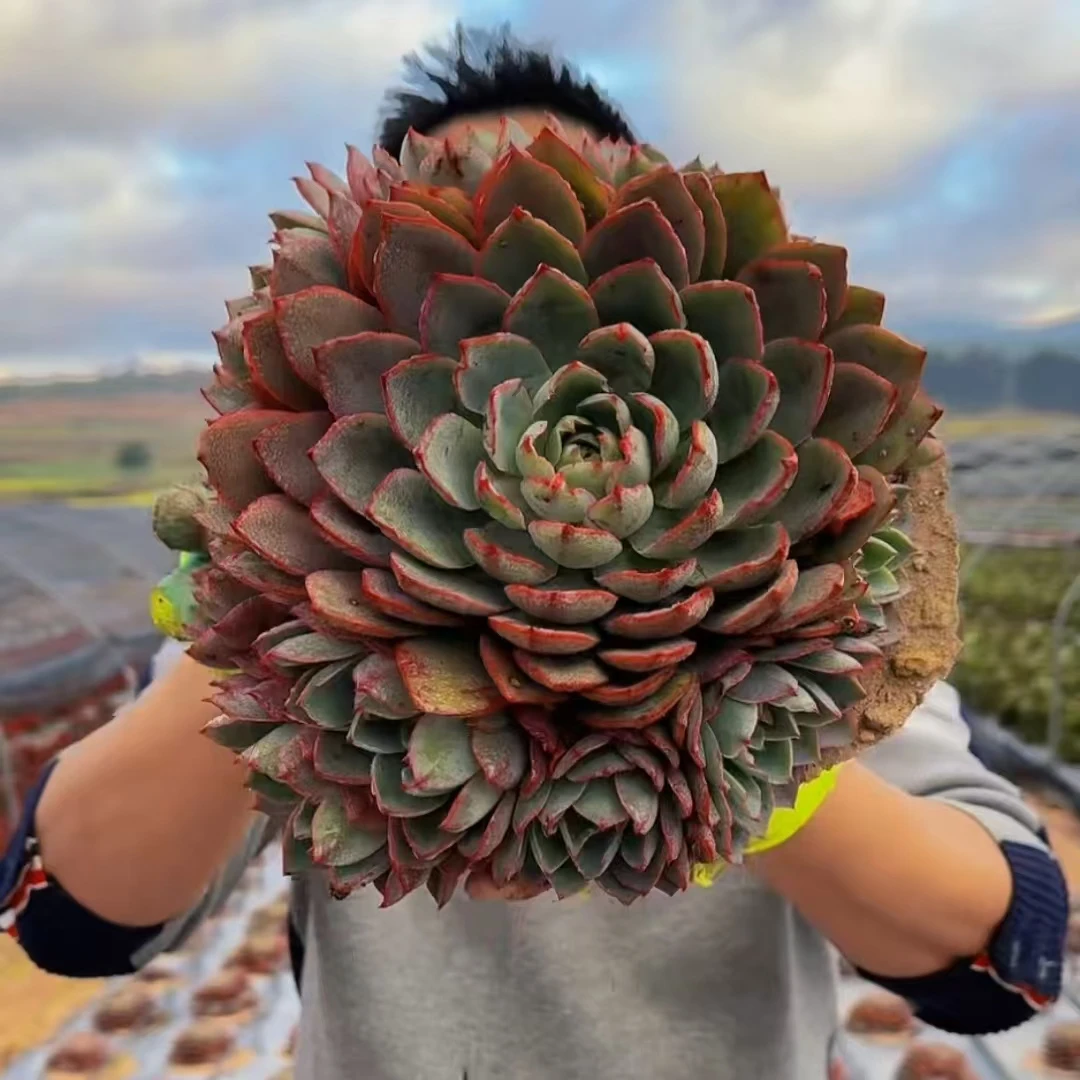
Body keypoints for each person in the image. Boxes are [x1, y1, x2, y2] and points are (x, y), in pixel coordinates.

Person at [1, 27, 1069, 1080]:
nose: (510, 228)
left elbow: (1000, 958)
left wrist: (747, 757)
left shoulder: (814, 552)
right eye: (455, 207)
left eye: (562, 190)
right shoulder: (299, 565)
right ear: (376, 276)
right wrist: (264, 612)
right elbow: (73, 921)